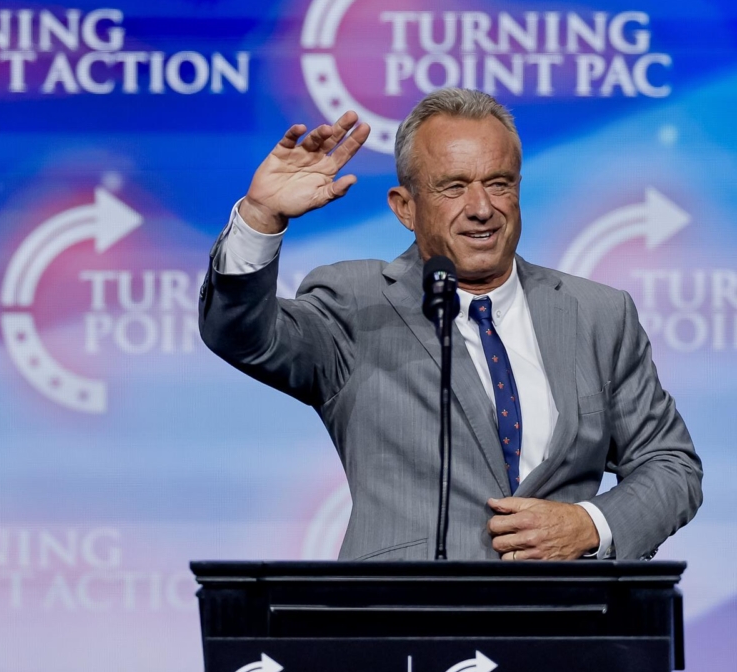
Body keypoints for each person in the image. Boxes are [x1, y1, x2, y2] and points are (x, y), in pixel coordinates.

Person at [199, 88, 702, 561]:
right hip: (404, 631)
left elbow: (671, 465)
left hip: (568, 627)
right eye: (454, 187)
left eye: (498, 184)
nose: (481, 209)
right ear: (405, 207)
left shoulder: (598, 313)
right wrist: (261, 218)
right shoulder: (355, 303)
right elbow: (243, 335)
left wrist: (590, 525)